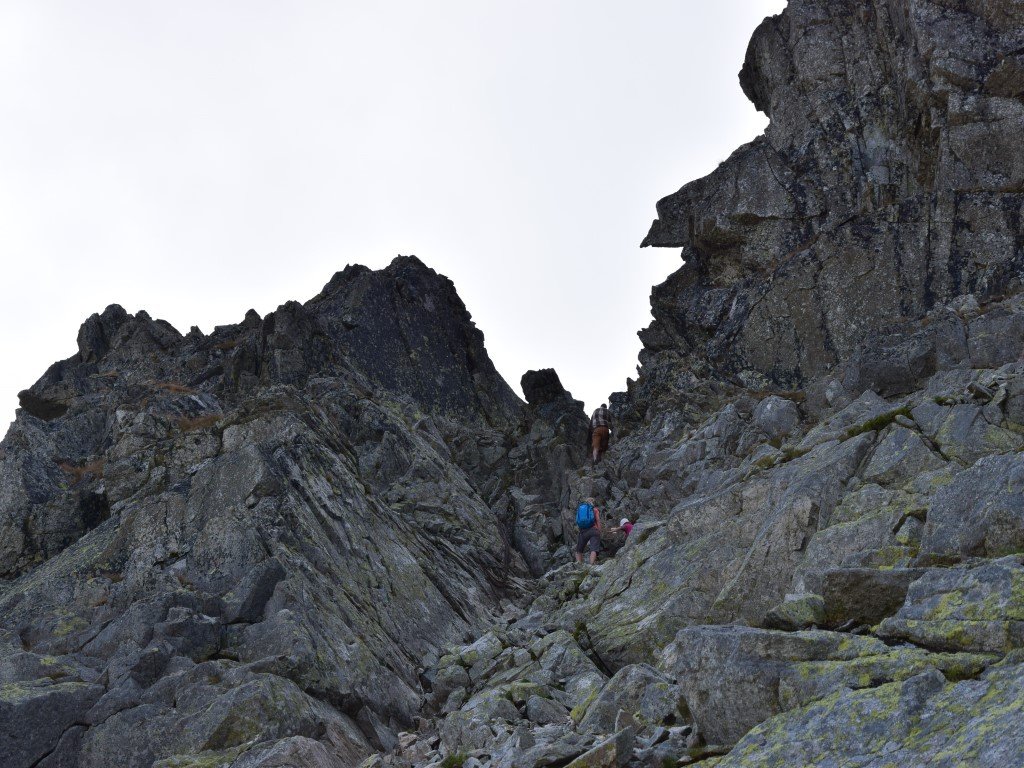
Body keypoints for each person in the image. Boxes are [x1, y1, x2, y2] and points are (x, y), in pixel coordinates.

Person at [574, 497, 602, 565]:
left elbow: (577, 521)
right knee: (594, 549)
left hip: (583, 531)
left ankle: (579, 565)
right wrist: (599, 530)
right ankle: (591, 564)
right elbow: (598, 520)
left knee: (579, 550)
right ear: (593, 502)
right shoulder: (595, 510)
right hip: (593, 530)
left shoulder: (580, 509)